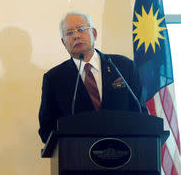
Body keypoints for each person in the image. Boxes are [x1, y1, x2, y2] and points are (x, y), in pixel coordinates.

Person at [38, 11, 147, 143]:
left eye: (81, 29)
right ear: (63, 42)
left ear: (94, 34)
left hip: (124, 151)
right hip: (77, 157)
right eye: (69, 33)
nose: (76, 36)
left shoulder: (124, 67)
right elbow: (46, 128)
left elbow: (140, 114)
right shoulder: (54, 78)